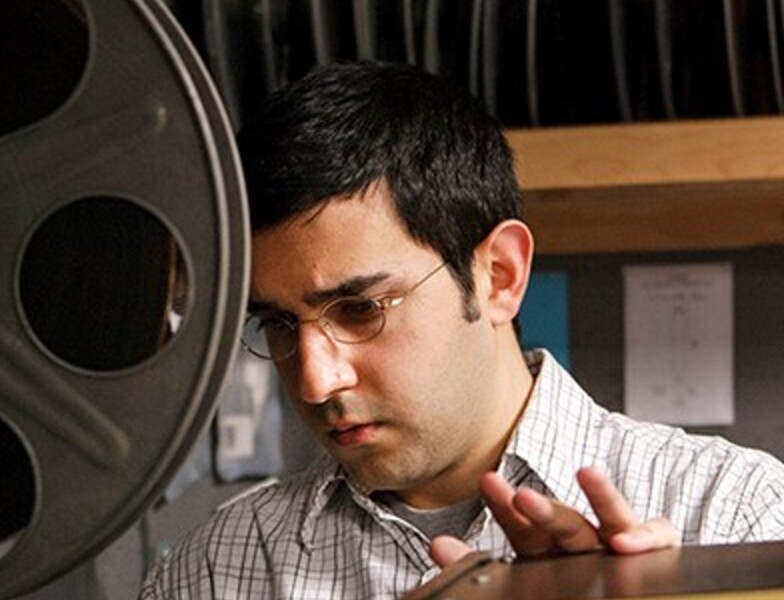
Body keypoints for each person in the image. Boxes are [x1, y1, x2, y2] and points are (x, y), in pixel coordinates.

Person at [140, 61, 784, 599]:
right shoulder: (214, 571)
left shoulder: (739, 515)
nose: (313, 379)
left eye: (361, 309)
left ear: (499, 276)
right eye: (279, 323)